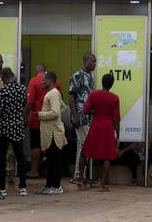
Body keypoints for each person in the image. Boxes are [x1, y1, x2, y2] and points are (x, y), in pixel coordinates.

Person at [77, 74, 120, 192]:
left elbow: (85, 111)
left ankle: (80, 178)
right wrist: (118, 136)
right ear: (112, 84)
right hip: (108, 127)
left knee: (84, 152)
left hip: (95, 125)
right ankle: (102, 184)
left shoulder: (94, 94)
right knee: (107, 156)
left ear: (102, 82)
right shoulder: (115, 98)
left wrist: (94, 110)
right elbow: (116, 118)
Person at [0, 67, 28, 199]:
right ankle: (23, 187)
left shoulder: (2, 91)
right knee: (20, 157)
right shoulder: (22, 89)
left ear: (3, 77)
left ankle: (1, 188)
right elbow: (25, 105)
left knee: (1, 159)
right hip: (17, 127)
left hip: (3, 128)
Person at [26, 64, 62, 178]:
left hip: (38, 118)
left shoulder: (33, 81)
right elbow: (61, 101)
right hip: (51, 122)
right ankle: (49, 172)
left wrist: (26, 115)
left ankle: (34, 170)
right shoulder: (56, 84)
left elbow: (30, 102)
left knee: (35, 144)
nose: (42, 80)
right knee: (50, 146)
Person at [35, 71, 67, 195]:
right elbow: (63, 107)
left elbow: (55, 112)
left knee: (55, 160)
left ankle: (56, 186)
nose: (42, 82)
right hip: (50, 132)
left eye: (43, 80)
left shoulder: (53, 94)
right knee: (50, 159)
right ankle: (49, 185)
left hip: (54, 132)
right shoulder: (53, 94)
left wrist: (39, 114)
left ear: (50, 81)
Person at [69, 53, 97, 184]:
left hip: (88, 116)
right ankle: (78, 175)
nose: (95, 64)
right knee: (82, 144)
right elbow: (71, 96)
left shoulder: (90, 77)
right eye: (93, 61)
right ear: (86, 61)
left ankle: (81, 175)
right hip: (80, 116)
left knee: (84, 144)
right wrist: (74, 115)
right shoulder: (78, 75)